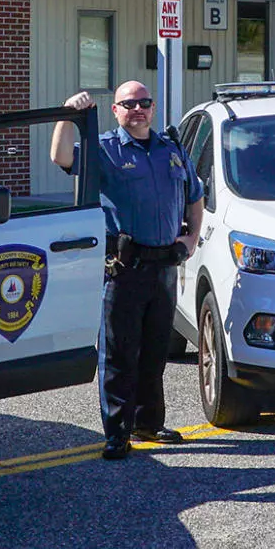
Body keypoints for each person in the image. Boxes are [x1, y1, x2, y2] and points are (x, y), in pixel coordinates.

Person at [51, 80, 202, 459]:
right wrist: (69, 114)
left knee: (154, 353)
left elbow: (194, 195)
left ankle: (149, 422)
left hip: (165, 268)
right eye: (129, 104)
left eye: (144, 103)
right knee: (119, 355)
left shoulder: (172, 149)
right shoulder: (106, 150)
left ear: (152, 108)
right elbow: (61, 157)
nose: (138, 109)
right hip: (124, 269)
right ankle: (118, 433)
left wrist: (192, 239)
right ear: (116, 110)